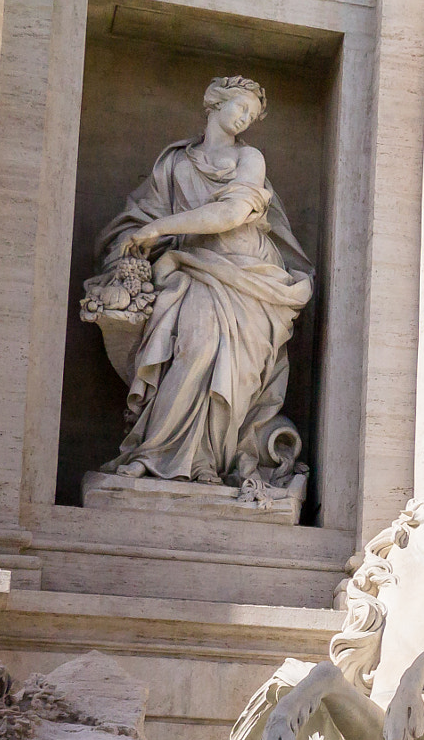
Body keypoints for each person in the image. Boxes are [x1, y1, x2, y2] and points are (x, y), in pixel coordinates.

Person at [90, 76, 313, 487]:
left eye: (251, 114)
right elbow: (140, 217)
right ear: (214, 103)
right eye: (239, 107)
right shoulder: (175, 163)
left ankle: (208, 460)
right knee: (194, 344)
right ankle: (154, 451)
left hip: (247, 274)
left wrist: (159, 230)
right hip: (191, 268)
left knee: (233, 366)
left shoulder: (251, 159)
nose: (245, 118)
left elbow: (229, 215)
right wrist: (138, 241)